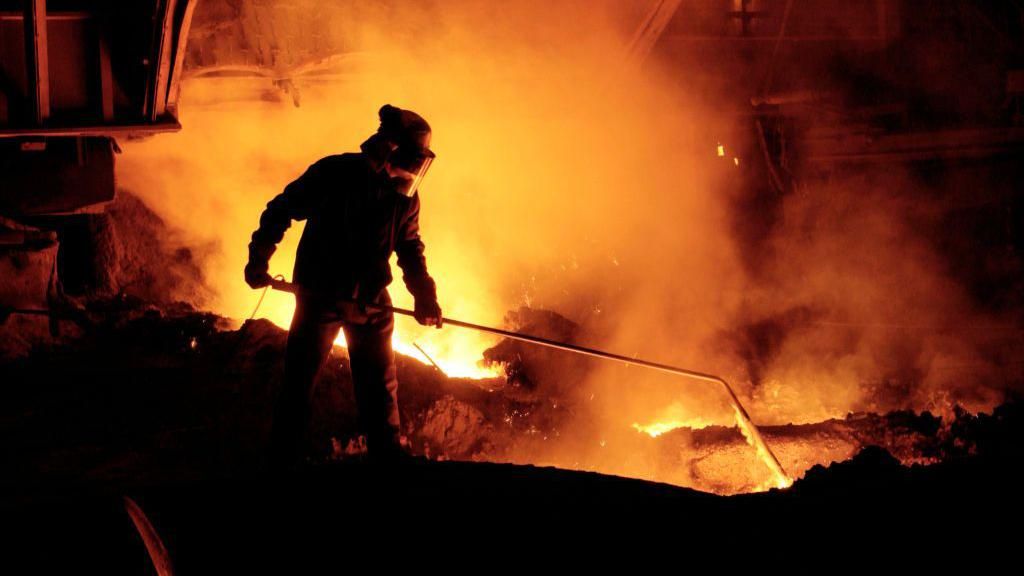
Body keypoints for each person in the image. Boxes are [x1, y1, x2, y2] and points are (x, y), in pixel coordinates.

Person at [244, 104, 443, 468]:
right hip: (321, 297)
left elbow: (410, 249)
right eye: (409, 159)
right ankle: (282, 460)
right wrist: (259, 258)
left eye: (418, 163)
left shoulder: (405, 199)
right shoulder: (335, 174)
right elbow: (282, 209)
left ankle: (386, 459)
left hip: (371, 303)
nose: (413, 172)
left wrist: (425, 296)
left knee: (380, 390)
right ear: (388, 149)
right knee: (299, 382)